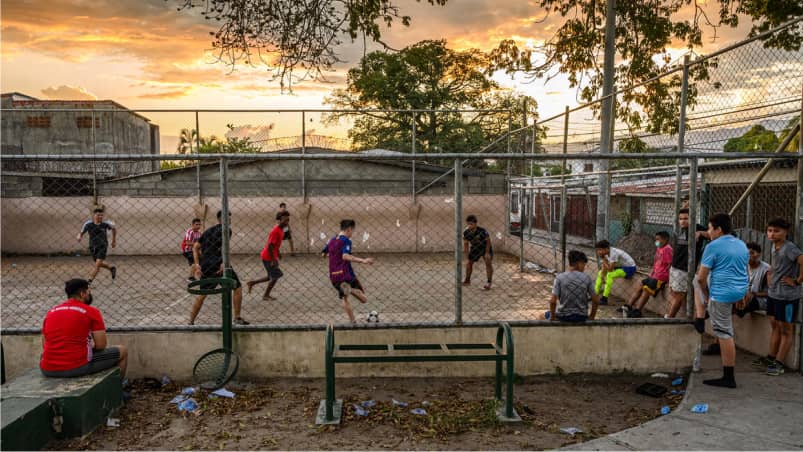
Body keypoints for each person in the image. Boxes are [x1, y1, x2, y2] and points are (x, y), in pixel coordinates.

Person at [694, 213, 748, 388]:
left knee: (725, 334)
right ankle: (703, 314)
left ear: (718, 229)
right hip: (738, 290)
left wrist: (707, 295)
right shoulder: (741, 244)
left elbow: (702, 278)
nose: (708, 232)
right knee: (725, 329)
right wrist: (744, 293)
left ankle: (728, 376)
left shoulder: (713, 246)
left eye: (710, 228)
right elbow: (745, 271)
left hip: (721, 293)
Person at [40, 278, 128, 378]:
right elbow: (101, 345)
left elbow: (45, 344)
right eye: (88, 292)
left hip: (47, 369)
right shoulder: (91, 311)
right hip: (77, 367)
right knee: (123, 351)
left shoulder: (51, 312)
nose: (89, 295)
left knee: (45, 356)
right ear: (82, 294)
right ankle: (119, 389)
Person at [753, 218, 803, 376]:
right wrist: (771, 274)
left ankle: (780, 364)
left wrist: (797, 281)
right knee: (775, 325)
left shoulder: (790, 248)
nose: (772, 234)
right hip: (774, 294)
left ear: (785, 232)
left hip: (787, 297)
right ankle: (771, 358)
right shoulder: (775, 246)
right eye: (769, 231)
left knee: (786, 329)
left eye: (776, 231)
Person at [189, 210, 249, 326]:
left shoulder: (208, 231)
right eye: (228, 217)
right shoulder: (227, 230)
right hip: (217, 263)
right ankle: (236, 317)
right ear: (222, 219)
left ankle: (190, 321)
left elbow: (195, 247)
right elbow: (223, 248)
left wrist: (197, 264)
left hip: (206, 264)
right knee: (237, 288)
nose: (230, 220)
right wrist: (223, 263)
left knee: (202, 293)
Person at [327, 219, 373, 323]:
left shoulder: (332, 240)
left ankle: (353, 322)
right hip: (346, 274)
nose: (352, 233)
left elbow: (324, 253)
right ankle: (351, 290)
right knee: (364, 299)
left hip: (334, 276)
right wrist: (363, 260)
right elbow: (345, 256)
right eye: (353, 231)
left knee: (345, 299)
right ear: (349, 229)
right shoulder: (346, 240)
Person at [619, 231, 673, 318]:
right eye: (656, 239)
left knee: (646, 290)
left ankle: (638, 310)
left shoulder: (667, 249)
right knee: (640, 284)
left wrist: (667, 277)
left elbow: (670, 264)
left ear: (665, 239)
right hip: (654, 275)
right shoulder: (659, 248)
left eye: (658, 239)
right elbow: (656, 262)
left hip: (661, 277)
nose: (656, 241)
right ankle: (628, 306)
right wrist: (652, 272)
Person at [666, 208, 709, 318]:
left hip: (684, 269)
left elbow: (711, 234)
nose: (683, 221)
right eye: (680, 219)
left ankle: (670, 318)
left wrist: (701, 233)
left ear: (692, 219)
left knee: (679, 296)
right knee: (674, 293)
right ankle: (685, 315)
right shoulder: (683, 230)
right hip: (675, 267)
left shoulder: (696, 228)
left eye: (686, 218)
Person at [537, 250, 599, 322]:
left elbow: (553, 301)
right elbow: (596, 300)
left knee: (541, 316)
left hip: (563, 316)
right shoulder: (587, 278)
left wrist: (552, 317)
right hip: (581, 316)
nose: (584, 268)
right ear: (578, 263)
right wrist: (592, 316)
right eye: (583, 264)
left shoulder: (559, 277)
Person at [246, 212, 288, 301]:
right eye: (285, 220)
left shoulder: (281, 230)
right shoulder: (276, 231)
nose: (287, 222)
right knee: (276, 275)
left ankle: (252, 283)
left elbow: (275, 245)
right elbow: (270, 246)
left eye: (288, 220)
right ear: (279, 220)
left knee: (270, 276)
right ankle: (266, 295)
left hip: (270, 255)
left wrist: (278, 253)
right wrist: (273, 259)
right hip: (268, 257)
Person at [76, 208, 117, 283]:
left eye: (101, 215)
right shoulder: (88, 224)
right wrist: (79, 236)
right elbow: (81, 232)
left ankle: (89, 281)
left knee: (97, 265)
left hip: (103, 246)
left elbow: (114, 229)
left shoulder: (105, 224)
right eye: (98, 215)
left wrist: (114, 241)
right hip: (92, 246)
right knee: (98, 263)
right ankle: (111, 268)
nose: (100, 217)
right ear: (94, 215)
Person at [594, 240, 637, 305]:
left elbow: (610, 269)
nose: (598, 252)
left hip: (629, 268)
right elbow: (605, 266)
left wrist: (603, 260)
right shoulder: (606, 253)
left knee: (610, 275)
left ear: (606, 249)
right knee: (600, 273)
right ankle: (594, 295)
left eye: (600, 250)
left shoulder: (614, 253)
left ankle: (604, 298)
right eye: (598, 250)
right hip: (619, 267)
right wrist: (602, 275)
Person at [735, 242, 770, 318]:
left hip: (761, 300)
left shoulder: (766, 269)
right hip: (745, 297)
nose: (748, 256)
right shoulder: (742, 267)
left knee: (745, 302)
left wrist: (754, 294)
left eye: (752, 253)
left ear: (759, 254)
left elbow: (772, 293)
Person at [462, 215, 494, 290]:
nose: (469, 225)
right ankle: (467, 280)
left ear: (475, 223)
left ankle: (489, 282)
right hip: (475, 248)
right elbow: (466, 245)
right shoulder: (466, 232)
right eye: (468, 224)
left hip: (485, 247)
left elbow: (488, 242)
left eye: (471, 224)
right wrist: (467, 257)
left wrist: (487, 253)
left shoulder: (482, 231)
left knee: (488, 262)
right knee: (469, 263)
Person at [181, 218, 202, 282]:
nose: (198, 226)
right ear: (192, 225)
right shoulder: (190, 232)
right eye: (196, 224)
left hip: (194, 250)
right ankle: (191, 277)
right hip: (188, 250)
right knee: (194, 263)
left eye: (199, 224)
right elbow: (188, 243)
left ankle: (196, 275)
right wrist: (197, 245)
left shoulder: (199, 233)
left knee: (199, 262)